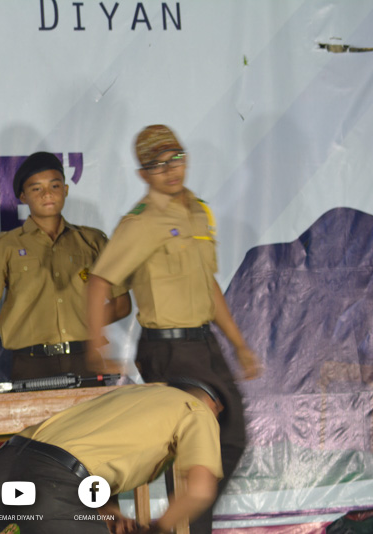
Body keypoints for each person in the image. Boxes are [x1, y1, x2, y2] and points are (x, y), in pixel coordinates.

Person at [87, 125, 262, 533]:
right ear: (143, 174)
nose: (170, 169)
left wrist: (239, 344)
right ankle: (173, 527)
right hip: (167, 350)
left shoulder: (197, 211)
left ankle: (172, 525)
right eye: (157, 164)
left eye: (175, 158)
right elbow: (99, 282)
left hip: (204, 344)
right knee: (193, 442)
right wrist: (96, 346)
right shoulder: (140, 222)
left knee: (231, 438)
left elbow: (207, 284)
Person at [0, 379, 225, 534]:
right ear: (211, 405)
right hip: (53, 488)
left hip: (1, 469)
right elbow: (199, 490)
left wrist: (109, 513)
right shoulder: (196, 409)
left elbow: (83, 456)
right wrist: (158, 529)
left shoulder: (132, 395)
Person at [0, 151, 131, 380]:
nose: (47, 194)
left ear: (66, 189)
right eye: (36, 189)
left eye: (55, 186)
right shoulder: (5, 247)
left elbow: (121, 304)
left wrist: (87, 323)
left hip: (84, 358)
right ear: (23, 196)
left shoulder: (92, 242)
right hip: (31, 363)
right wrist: (18, 328)